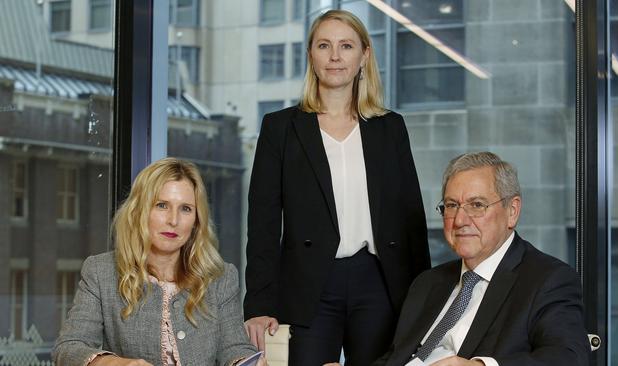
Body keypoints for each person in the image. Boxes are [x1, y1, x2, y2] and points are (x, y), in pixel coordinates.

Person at [243, 9, 430, 366]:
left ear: (364, 55)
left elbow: (412, 222)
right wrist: (259, 304)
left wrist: (423, 305)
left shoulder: (390, 128)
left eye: (346, 46)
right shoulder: (280, 129)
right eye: (324, 45)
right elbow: (263, 224)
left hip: (378, 283)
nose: (334, 56)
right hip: (308, 285)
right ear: (311, 55)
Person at [359, 151, 589, 366]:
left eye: (477, 205)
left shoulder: (547, 279)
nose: (459, 220)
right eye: (451, 205)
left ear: (512, 211)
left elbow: (568, 357)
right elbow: (396, 358)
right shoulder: (427, 283)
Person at [53, 158, 264, 366]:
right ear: (139, 211)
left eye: (186, 209)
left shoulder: (221, 277)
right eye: (162, 205)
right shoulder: (101, 272)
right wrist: (115, 363)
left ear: (196, 220)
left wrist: (246, 361)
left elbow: (235, 348)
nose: (174, 220)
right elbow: (69, 348)